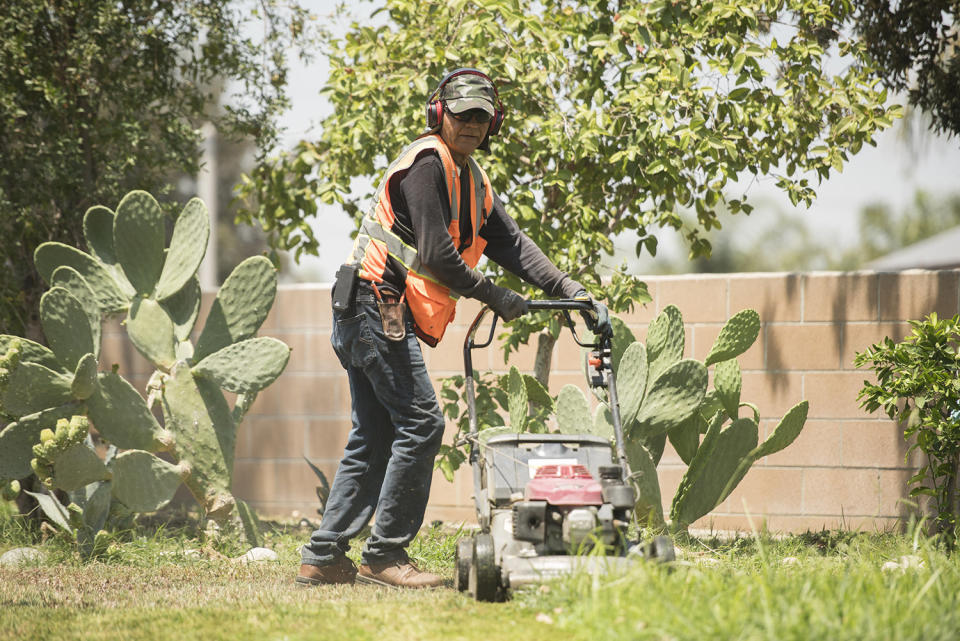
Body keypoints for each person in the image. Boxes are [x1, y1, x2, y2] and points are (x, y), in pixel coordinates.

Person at [297, 68, 608, 589]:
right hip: (374, 306)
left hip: (370, 309)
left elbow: (512, 243)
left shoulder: (472, 178)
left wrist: (569, 288)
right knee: (422, 424)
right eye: (461, 114)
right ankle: (385, 553)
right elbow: (439, 255)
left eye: (480, 117)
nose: (470, 124)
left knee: (374, 435)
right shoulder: (426, 165)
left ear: (493, 124)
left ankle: (324, 556)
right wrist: (495, 295)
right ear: (440, 114)